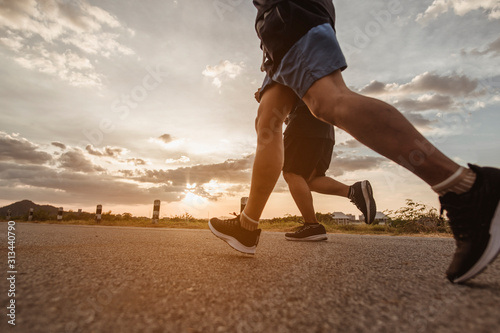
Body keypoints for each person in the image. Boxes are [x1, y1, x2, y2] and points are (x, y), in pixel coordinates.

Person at [209, 0, 500, 284]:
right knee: (267, 120)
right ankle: (247, 225)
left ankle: (466, 187)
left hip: (289, 12)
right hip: (277, 26)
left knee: (329, 101)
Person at [255, 90, 377, 241]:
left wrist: (267, 94)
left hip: (303, 127)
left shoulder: (291, 67)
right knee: (309, 180)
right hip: (324, 130)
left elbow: (289, 89)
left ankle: (312, 225)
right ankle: (354, 191)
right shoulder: (319, 72)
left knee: (291, 173)